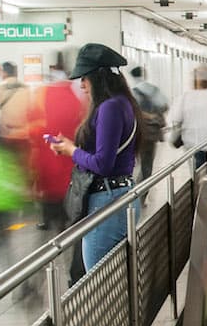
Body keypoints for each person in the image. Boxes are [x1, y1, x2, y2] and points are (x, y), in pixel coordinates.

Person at [50, 44, 143, 271]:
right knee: (115, 277)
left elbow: (102, 164)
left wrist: (71, 151)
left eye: (85, 78)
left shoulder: (109, 107)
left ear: (99, 78)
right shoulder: (123, 102)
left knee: (98, 280)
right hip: (121, 195)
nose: (81, 85)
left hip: (107, 200)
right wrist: (72, 147)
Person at [28, 75, 85, 231]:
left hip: (50, 150)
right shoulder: (77, 96)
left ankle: (50, 220)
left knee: (50, 187)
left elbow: (35, 125)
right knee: (67, 185)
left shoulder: (43, 93)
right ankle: (64, 221)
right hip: (69, 150)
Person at [130, 66, 169, 183]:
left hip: (135, 132)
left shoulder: (131, 92)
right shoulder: (153, 90)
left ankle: (131, 191)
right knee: (147, 165)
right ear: (144, 74)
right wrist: (153, 115)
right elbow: (165, 105)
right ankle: (141, 194)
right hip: (150, 134)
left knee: (131, 165)